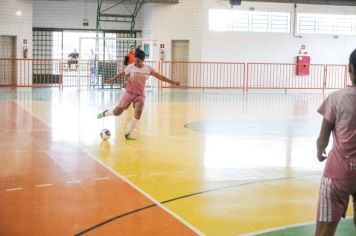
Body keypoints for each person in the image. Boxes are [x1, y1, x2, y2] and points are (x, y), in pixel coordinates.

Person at [315, 48, 356, 236]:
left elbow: (322, 138)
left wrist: (320, 151)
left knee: (324, 230)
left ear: (350, 69)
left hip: (337, 175)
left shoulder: (336, 99)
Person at [97, 50, 180, 140]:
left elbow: (160, 77)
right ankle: (106, 112)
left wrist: (173, 82)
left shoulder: (148, 69)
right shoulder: (131, 67)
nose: (136, 62)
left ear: (143, 60)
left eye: (138, 61)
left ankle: (128, 133)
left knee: (138, 112)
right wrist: (111, 80)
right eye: (135, 60)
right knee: (117, 112)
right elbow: (121, 74)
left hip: (139, 94)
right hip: (129, 92)